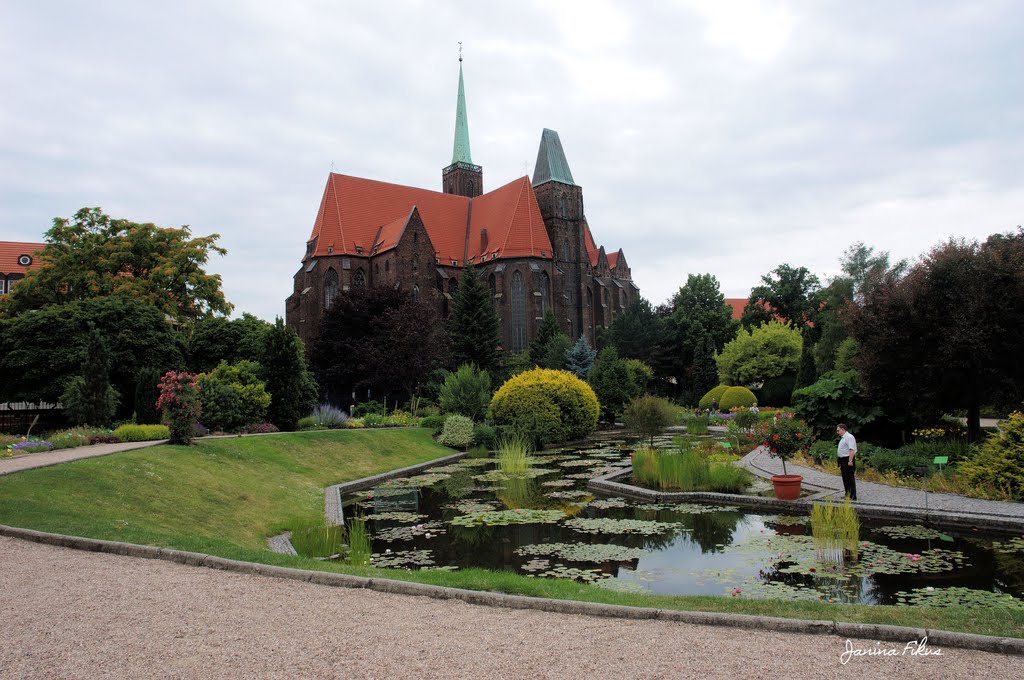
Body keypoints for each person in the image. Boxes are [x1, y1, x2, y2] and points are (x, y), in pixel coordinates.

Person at [836, 423, 857, 501]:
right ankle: (847, 494)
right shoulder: (843, 438)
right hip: (842, 460)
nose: (837, 432)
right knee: (845, 478)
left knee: (849, 478)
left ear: (842, 429)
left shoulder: (849, 437)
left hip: (847, 460)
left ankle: (852, 496)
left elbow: (852, 449)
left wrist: (850, 460)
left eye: (838, 430)